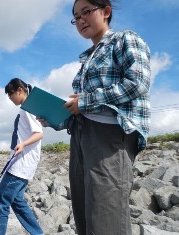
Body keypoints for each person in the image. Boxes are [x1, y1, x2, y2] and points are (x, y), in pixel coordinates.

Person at [38, 0, 151, 234]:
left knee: (105, 215)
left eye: (86, 12)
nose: (80, 20)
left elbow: (137, 83)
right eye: (75, 17)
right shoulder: (86, 59)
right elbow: (81, 109)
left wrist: (86, 101)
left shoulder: (124, 39)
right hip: (80, 136)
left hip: (109, 135)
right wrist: (53, 115)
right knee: (84, 213)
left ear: (106, 11)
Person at [0, 78, 44, 235]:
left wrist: (23, 144)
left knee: (0, 202)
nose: (10, 98)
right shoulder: (27, 109)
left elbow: (39, 133)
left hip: (20, 165)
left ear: (20, 90)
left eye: (10, 95)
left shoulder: (28, 109)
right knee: (17, 201)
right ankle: (38, 233)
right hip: (24, 165)